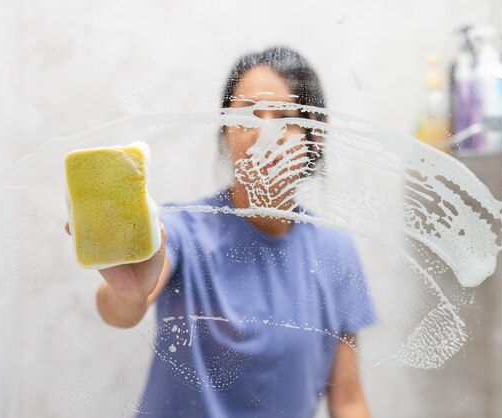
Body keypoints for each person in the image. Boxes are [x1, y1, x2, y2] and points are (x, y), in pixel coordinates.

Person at [69, 46, 376, 418]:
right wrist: (128, 288)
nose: (263, 134)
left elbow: (348, 399)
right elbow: (120, 310)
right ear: (226, 131)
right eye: (247, 116)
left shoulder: (335, 251)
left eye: (283, 118)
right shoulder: (182, 230)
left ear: (315, 136)